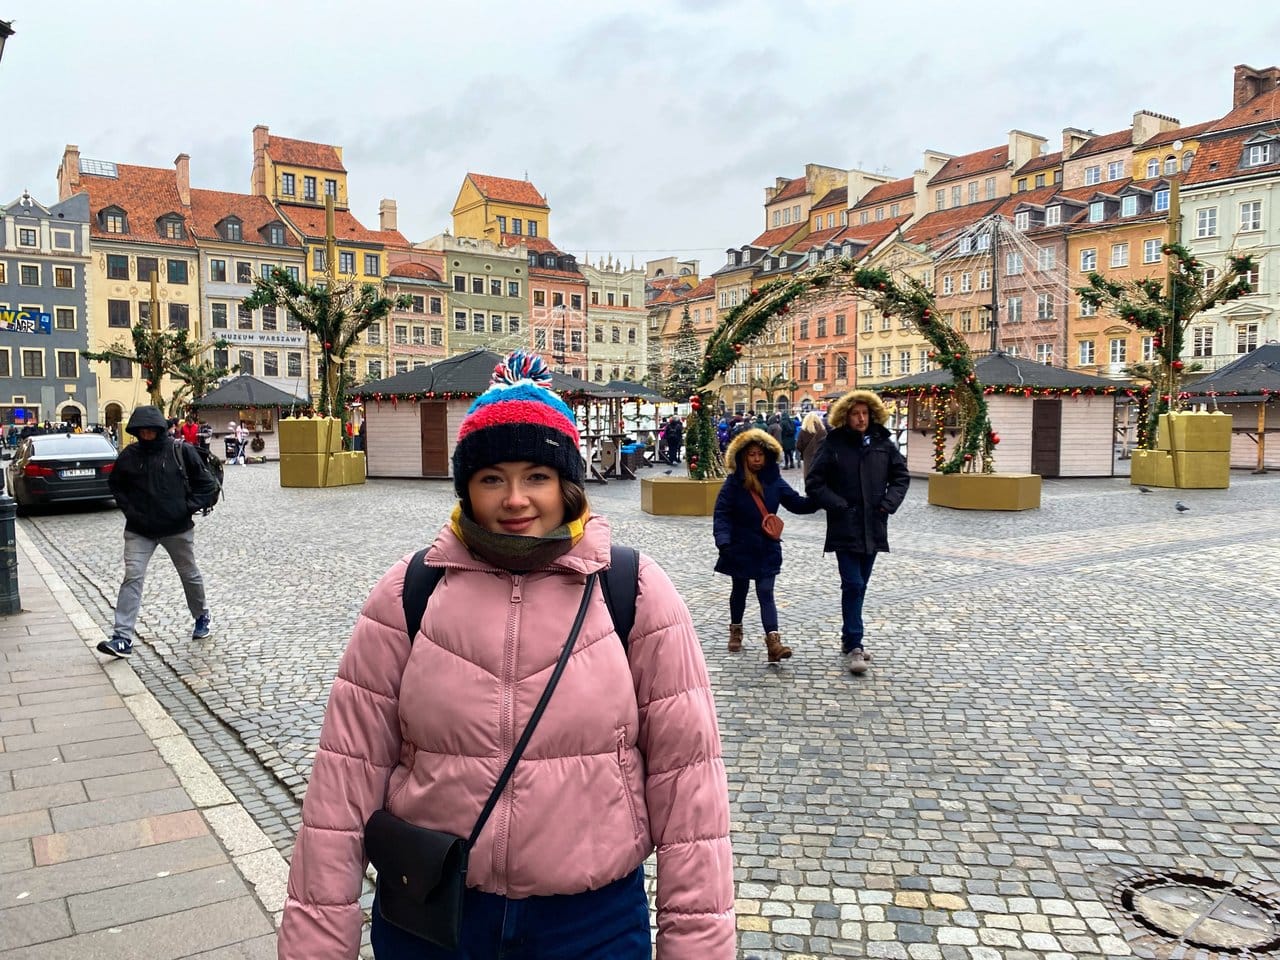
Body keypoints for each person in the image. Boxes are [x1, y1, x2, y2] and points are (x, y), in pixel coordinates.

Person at [278, 351, 734, 960]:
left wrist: (697, 948)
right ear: (466, 487)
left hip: (590, 923)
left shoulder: (632, 592)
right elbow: (344, 777)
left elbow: (689, 784)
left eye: (537, 476)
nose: (515, 499)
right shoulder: (411, 593)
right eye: (492, 477)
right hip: (436, 917)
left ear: (567, 486)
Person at [97, 406, 219, 659]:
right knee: (132, 577)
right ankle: (122, 638)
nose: (147, 433)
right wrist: (131, 511)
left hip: (176, 528)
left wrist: (186, 508)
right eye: (142, 429)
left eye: (151, 429)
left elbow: (208, 485)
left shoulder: (179, 451)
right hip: (140, 530)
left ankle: (201, 616)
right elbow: (116, 486)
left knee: (189, 574)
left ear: (160, 429)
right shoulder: (129, 455)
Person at [804, 390, 910, 675]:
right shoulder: (833, 444)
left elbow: (901, 477)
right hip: (845, 526)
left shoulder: (883, 444)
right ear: (846, 416)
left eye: (864, 413)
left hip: (873, 526)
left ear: (871, 415)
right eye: (855, 413)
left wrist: (888, 505)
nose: (861, 418)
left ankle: (849, 636)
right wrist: (838, 505)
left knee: (860, 584)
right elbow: (814, 483)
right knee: (853, 584)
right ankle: (855, 644)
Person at [713, 428, 817, 662]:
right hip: (739, 546)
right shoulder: (734, 483)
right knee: (739, 589)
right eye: (752, 454)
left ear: (767, 456)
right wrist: (723, 541)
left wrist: (819, 498)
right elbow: (722, 513)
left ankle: (773, 641)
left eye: (760, 454)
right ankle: (736, 628)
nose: (757, 459)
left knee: (765, 591)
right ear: (743, 457)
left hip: (767, 547)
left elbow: (797, 504)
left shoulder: (775, 482)